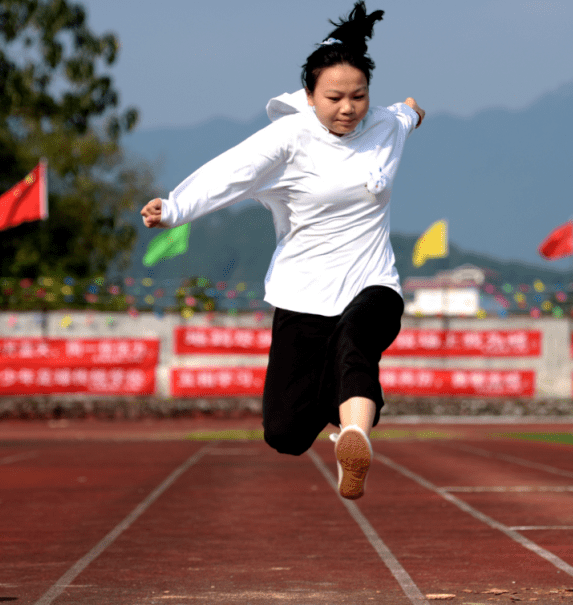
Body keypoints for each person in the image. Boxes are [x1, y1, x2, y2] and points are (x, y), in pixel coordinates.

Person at [139, 1, 425, 500]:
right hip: (304, 294)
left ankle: (355, 436)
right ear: (309, 96)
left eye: (359, 96)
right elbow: (230, 173)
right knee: (285, 433)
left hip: (374, 283)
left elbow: (406, 115)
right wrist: (175, 207)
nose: (348, 108)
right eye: (335, 97)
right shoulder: (289, 138)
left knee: (358, 341)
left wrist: (414, 111)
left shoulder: (385, 126)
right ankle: (339, 424)